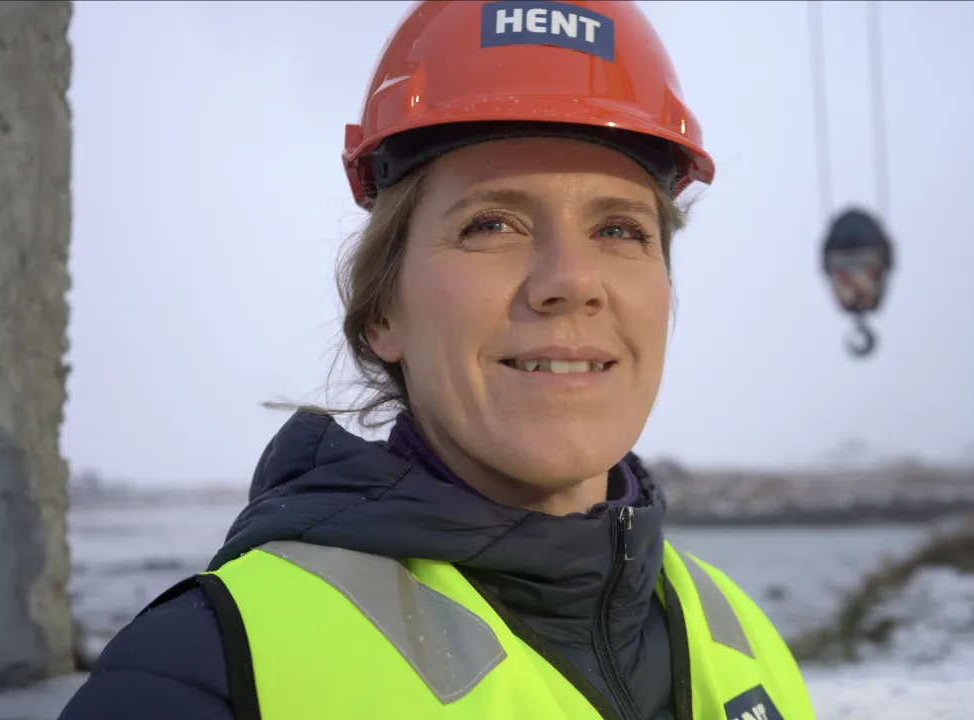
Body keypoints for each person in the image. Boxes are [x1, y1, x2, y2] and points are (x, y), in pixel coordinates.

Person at [59, 2, 814, 718]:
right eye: (492, 223)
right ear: (384, 311)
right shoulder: (209, 673)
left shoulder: (744, 642)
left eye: (619, 230)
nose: (573, 281)